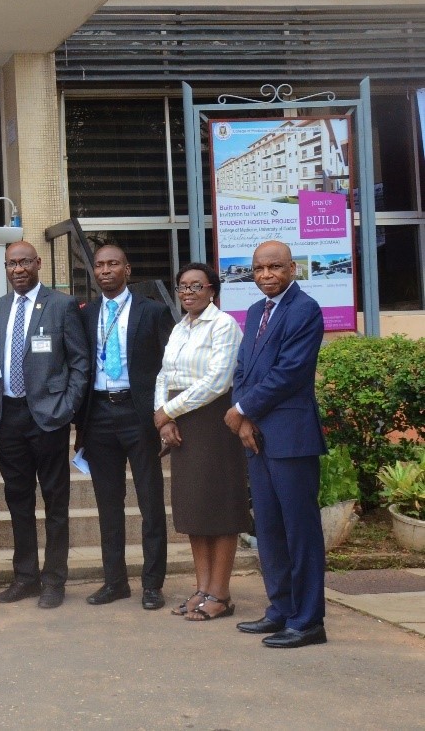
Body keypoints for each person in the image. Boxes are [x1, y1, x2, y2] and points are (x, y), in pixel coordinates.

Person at [230, 241, 329, 648]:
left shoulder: (304, 310)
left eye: (274, 267)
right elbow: (243, 368)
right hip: (256, 436)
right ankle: (281, 610)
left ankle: (307, 622)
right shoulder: (255, 313)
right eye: (258, 269)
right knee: (269, 528)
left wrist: (242, 410)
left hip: (291, 437)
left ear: (292, 268)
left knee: (299, 531)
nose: (266, 275)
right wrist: (243, 416)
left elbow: (290, 372)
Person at [0, 241, 90, 609]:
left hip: (48, 417)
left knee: (55, 501)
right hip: (9, 416)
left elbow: (80, 362)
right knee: (18, 501)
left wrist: (67, 407)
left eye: (25, 262)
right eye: (12, 263)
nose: (18, 269)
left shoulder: (61, 304)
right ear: (6, 267)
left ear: (38, 263)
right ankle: (26, 577)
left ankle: (54, 580)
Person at [77, 245, 173, 610]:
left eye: (113, 263)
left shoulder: (154, 311)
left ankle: (152, 584)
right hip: (99, 415)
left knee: (150, 501)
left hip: (139, 415)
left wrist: (166, 415)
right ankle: (115, 582)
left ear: (127, 269)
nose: (105, 270)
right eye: (99, 265)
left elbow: (170, 366)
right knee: (108, 504)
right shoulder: (86, 314)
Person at [154, 262, 247, 623]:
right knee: (193, 508)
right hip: (181, 421)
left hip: (212, 421)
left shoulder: (224, 325)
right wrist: (161, 416)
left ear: (213, 290)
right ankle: (202, 587)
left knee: (219, 507)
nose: (188, 292)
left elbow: (218, 380)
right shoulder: (180, 328)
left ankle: (220, 593)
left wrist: (169, 411)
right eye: (182, 287)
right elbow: (164, 374)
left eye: (196, 286)